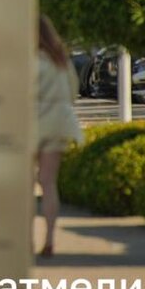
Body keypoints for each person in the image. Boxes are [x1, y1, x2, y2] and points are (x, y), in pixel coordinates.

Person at [35, 15, 82, 258]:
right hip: (58, 123)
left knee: (24, 185)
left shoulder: (29, 60)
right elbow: (73, 91)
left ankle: (25, 240)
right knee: (48, 183)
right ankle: (50, 238)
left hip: (32, 122)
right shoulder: (62, 61)